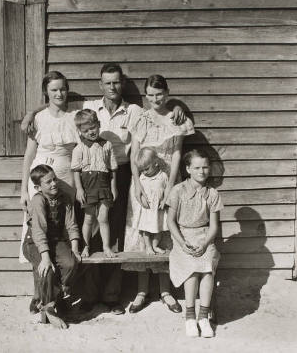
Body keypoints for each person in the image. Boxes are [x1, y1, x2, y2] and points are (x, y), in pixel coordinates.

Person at [22, 63, 187, 315]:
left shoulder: (134, 110)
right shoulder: (87, 107)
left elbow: (159, 111)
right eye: (107, 82)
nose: (112, 87)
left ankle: (111, 296)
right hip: (88, 177)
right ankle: (88, 295)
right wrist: (30, 114)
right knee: (91, 232)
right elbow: (55, 105)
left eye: (117, 82)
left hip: (120, 175)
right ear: (100, 85)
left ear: (122, 84)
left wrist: (178, 107)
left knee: (116, 235)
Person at [123, 74, 195, 314]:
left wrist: (171, 187)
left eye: (160, 94)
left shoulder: (176, 118)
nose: (155, 98)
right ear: (146, 95)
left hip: (167, 181)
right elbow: (134, 155)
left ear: (167, 93)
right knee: (143, 230)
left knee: (164, 232)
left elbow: (176, 154)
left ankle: (166, 290)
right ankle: (141, 290)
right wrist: (138, 185)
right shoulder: (141, 119)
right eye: (151, 95)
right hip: (143, 182)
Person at [19, 71, 79, 312]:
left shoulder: (75, 116)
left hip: (66, 175)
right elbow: (29, 155)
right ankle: (38, 294)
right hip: (41, 175)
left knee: (61, 232)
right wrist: (24, 188)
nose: (59, 93)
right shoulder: (39, 119)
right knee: (39, 234)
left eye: (63, 89)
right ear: (46, 92)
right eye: (53, 90)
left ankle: (62, 293)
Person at [166, 149, 223, 338]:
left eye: (205, 167)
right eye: (197, 167)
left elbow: (214, 227)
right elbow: (171, 222)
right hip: (183, 237)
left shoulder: (212, 194)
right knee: (191, 269)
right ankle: (190, 317)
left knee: (207, 268)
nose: (202, 171)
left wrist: (206, 244)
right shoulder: (178, 191)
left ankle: (203, 317)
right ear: (188, 169)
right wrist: (182, 243)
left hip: (205, 237)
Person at [22, 165, 81, 329]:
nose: (54, 183)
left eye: (54, 179)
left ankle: (54, 298)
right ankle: (49, 309)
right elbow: (38, 230)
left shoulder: (65, 198)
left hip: (55, 240)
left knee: (70, 263)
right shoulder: (38, 200)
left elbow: (72, 225)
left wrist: (75, 249)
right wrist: (46, 258)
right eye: (48, 182)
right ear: (38, 187)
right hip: (34, 243)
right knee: (47, 269)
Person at [71, 109, 118, 258]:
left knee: (103, 218)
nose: (90, 132)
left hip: (104, 185)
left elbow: (112, 168)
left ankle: (106, 247)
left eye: (93, 128)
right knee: (89, 218)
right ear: (79, 131)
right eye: (85, 130)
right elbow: (76, 170)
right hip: (88, 186)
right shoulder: (79, 148)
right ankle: (85, 247)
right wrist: (79, 189)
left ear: (98, 124)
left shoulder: (107, 145)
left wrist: (113, 187)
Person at [134, 147, 168, 255]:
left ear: (156, 163)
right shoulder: (142, 177)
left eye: (146, 168)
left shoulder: (163, 176)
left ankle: (155, 245)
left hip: (159, 209)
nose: (144, 172)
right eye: (142, 170)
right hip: (147, 209)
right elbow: (139, 193)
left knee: (160, 228)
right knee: (146, 230)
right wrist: (142, 201)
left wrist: (164, 201)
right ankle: (148, 247)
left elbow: (168, 189)